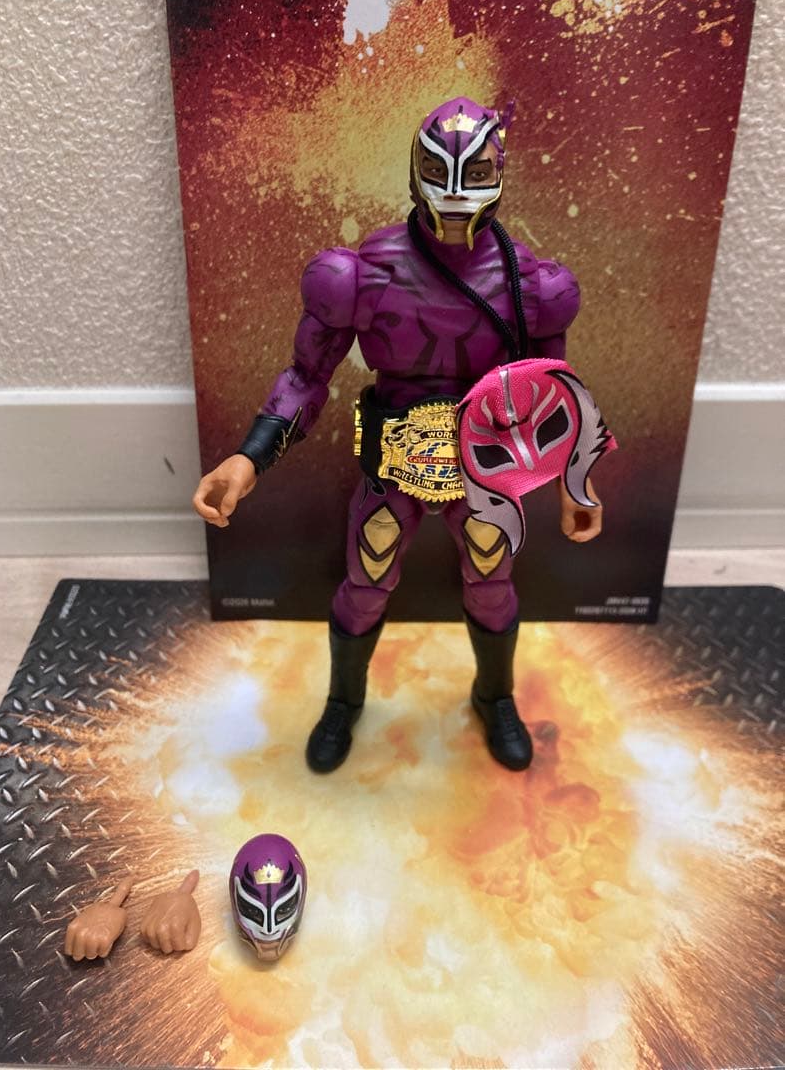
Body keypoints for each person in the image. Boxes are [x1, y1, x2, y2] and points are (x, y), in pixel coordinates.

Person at [193, 96, 603, 775]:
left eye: (475, 175)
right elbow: (307, 376)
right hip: (395, 463)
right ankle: (344, 701)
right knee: (367, 580)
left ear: (499, 174)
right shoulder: (359, 275)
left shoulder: (532, 284)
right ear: (416, 171)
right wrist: (250, 456)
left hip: (484, 468)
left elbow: (549, 392)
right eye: (440, 173)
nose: (455, 194)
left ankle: (494, 696)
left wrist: (573, 482)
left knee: (491, 579)